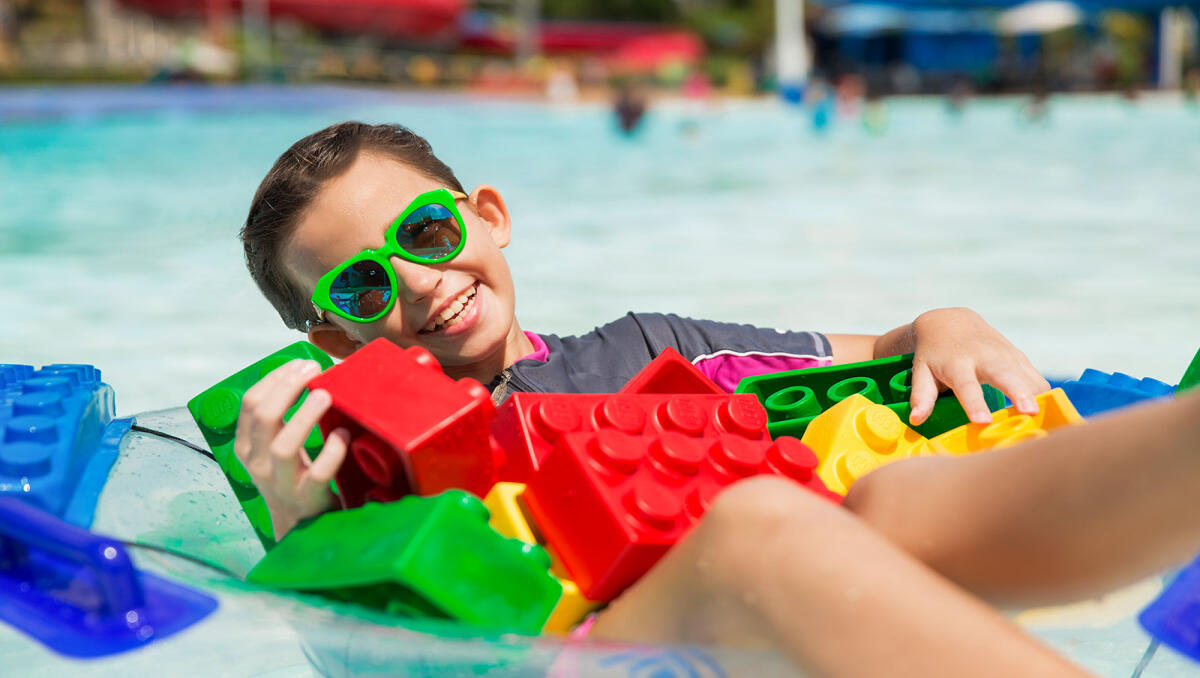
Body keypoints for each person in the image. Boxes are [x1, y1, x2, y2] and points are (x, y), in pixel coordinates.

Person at [231, 122, 1192, 675]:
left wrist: (945, 320)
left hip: (766, 604)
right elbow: (361, 662)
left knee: (888, 500)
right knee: (753, 527)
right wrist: (300, 523)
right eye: (362, 285)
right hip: (584, 656)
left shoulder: (649, 349)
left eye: (426, 232)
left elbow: (881, 353)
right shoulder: (343, 466)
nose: (418, 280)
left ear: (488, 217)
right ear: (336, 338)